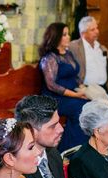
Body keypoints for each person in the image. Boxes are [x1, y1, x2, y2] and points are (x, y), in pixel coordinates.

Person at [39, 22, 89, 152]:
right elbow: (51, 85)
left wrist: (83, 88)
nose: (68, 37)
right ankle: (67, 150)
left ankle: (84, 146)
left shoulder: (67, 54)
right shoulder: (49, 58)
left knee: (90, 105)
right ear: (56, 37)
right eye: (64, 34)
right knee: (81, 108)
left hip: (72, 95)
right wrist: (75, 95)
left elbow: (75, 76)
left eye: (68, 34)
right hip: (55, 99)